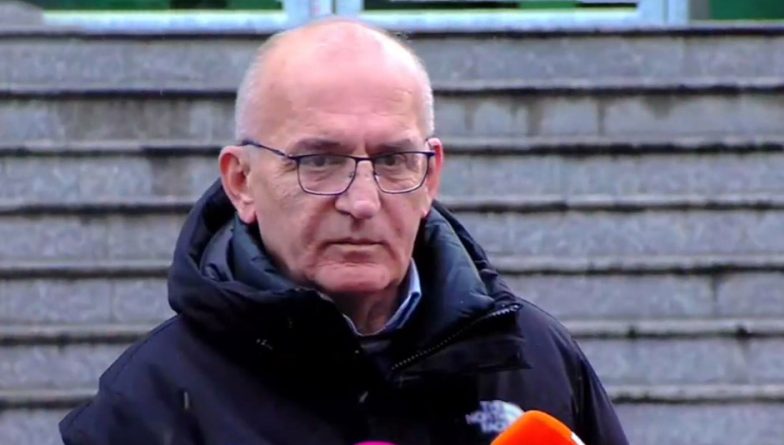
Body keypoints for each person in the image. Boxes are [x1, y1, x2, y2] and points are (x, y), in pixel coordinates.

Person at [59, 17, 629, 445]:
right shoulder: (149, 403)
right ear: (242, 182)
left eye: (392, 161)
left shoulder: (534, 361)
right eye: (319, 162)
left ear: (431, 176)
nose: (361, 201)